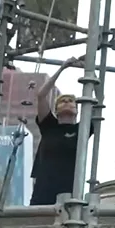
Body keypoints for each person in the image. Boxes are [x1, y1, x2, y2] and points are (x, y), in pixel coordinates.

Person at [28, 83, 80, 215]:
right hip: (44, 188)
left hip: (69, 190)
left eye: (71, 101)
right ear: (56, 110)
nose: (67, 102)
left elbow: (99, 100)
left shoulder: (81, 130)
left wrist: (92, 72)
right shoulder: (49, 126)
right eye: (62, 101)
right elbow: (41, 95)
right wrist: (63, 67)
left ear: (77, 110)